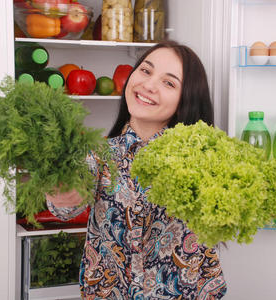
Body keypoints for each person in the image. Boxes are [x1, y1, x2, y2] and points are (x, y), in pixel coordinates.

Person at [46, 41, 227, 300]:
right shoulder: (98, 154)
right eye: (145, 71)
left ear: (186, 99)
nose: (149, 85)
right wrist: (60, 192)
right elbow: (64, 208)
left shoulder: (204, 159)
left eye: (169, 83)